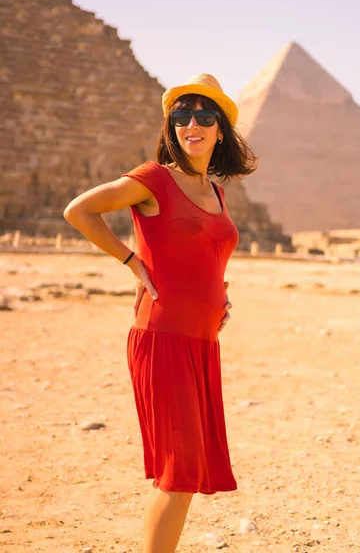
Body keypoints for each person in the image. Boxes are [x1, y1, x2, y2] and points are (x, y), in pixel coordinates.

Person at [63, 73, 256, 553]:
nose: (193, 124)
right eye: (182, 115)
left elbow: (206, 253)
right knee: (179, 475)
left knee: (184, 475)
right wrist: (132, 263)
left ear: (220, 130)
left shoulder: (216, 191)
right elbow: (79, 210)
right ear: (171, 126)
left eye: (205, 116)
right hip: (164, 338)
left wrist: (219, 294)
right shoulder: (153, 178)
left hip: (201, 341)